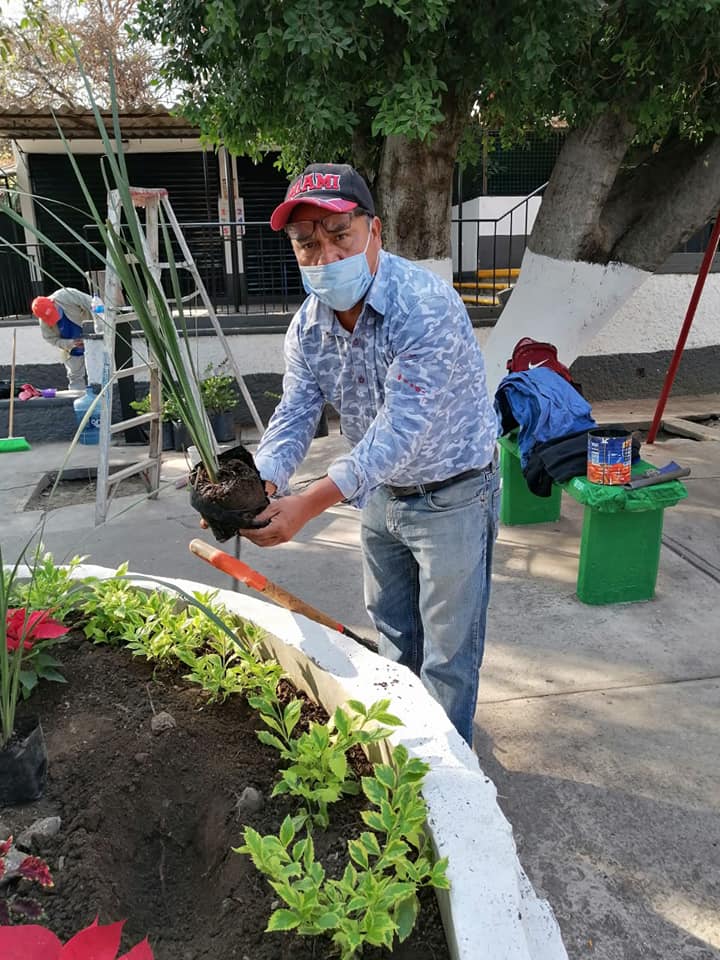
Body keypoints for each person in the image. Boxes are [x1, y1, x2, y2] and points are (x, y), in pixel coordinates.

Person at [240, 163, 499, 746]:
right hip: (379, 493)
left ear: (374, 231)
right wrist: (256, 482)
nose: (325, 257)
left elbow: (401, 430)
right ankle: (405, 754)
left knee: (448, 655)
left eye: (340, 235)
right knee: (394, 639)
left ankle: (449, 777)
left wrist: (309, 503)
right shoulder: (308, 326)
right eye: (306, 244)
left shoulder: (424, 306)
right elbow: (296, 412)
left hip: (452, 492)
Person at [31, 288, 93, 391]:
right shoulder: (44, 320)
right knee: (74, 376)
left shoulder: (67, 295)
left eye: (53, 312)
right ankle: (76, 397)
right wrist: (70, 343)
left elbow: (93, 304)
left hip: (91, 336)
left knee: (96, 371)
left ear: (53, 302)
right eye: (49, 317)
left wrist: (96, 330)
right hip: (71, 347)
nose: (55, 318)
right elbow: (51, 339)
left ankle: (100, 397)